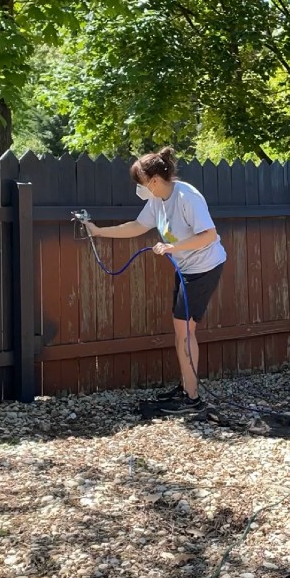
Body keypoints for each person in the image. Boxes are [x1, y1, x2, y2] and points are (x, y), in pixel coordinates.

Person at [83, 147, 226, 413]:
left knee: (185, 331)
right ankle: (187, 387)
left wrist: (172, 248)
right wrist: (99, 232)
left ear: (155, 181)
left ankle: (192, 399)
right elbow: (137, 226)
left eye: (141, 183)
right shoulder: (157, 200)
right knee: (181, 328)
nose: (140, 189)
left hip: (204, 267)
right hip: (185, 268)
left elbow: (208, 235)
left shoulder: (187, 197)